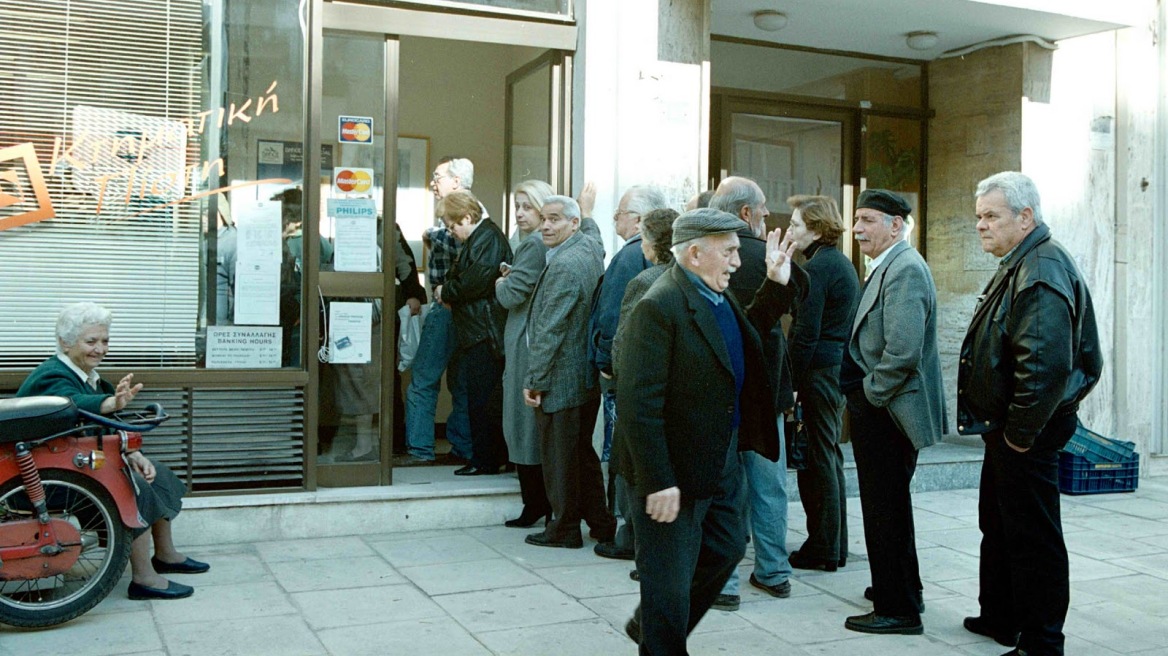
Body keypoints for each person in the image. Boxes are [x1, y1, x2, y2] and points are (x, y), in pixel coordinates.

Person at [619, 209, 797, 654]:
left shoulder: (716, 294)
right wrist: (658, 481)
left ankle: (655, 627)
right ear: (695, 253)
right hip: (671, 469)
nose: (738, 261)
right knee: (668, 582)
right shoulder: (658, 305)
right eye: (730, 251)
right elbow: (638, 405)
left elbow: (745, 334)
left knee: (726, 547)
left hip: (719, 458)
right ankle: (662, 637)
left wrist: (776, 284)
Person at [959, 172, 1102, 656]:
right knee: (998, 522)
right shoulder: (1021, 259)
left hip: (1026, 433)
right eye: (979, 216)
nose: (981, 225)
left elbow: (1043, 367)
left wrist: (1019, 436)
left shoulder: (1040, 268)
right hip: (1007, 429)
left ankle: (1040, 641)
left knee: (1032, 535)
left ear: (1026, 217)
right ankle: (1002, 614)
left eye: (991, 216)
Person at [16, 302, 209, 601]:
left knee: (158, 475)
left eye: (104, 341)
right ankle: (144, 578)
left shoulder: (88, 375)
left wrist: (133, 454)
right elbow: (73, 405)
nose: (100, 349)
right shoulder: (52, 375)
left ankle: (166, 555)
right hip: (43, 478)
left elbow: (109, 425)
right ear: (65, 343)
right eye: (91, 341)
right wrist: (111, 404)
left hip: (72, 466)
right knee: (132, 486)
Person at [841, 189, 945, 636]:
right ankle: (902, 588)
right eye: (856, 220)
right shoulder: (891, 265)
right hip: (881, 411)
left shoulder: (903, 269)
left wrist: (869, 395)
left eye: (867, 220)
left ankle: (897, 609)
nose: (858, 228)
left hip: (887, 413)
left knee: (885, 510)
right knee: (889, 508)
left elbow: (902, 353)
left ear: (896, 225)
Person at [708, 176, 803, 610]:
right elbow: (800, 301)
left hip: (723, 392)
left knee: (725, 487)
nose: (768, 215)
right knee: (769, 484)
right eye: (763, 208)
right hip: (767, 392)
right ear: (745, 213)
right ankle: (773, 570)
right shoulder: (770, 256)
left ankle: (724, 583)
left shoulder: (705, 257)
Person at [522, 195, 615, 548]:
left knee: (560, 459)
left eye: (555, 219)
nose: (545, 225)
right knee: (580, 455)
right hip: (583, 377)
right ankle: (601, 523)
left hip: (561, 377)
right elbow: (597, 238)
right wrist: (588, 213)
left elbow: (550, 329)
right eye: (543, 218)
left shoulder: (565, 264)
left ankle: (564, 528)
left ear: (572, 224)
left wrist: (535, 380)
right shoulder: (589, 247)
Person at [589, 185, 669, 560]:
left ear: (639, 221)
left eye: (620, 213)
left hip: (627, 381)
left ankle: (627, 535)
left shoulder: (630, 261)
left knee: (623, 457)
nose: (615, 219)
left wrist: (606, 365)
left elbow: (614, 322)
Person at [784, 195, 860, 573]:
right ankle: (831, 545)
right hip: (830, 370)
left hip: (819, 373)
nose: (791, 231)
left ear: (815, 228)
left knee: (819, 460)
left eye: (796, 225)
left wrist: (792, 382)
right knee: (826, 455)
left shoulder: (821, 267)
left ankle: (825, 547)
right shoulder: (834, 263)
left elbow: (805, 334)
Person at [605, 207, 678, 568]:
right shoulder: (685, 277)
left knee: (632, 469)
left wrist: (614, 372)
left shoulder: (647, 281)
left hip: (643, 392)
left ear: (652, 243)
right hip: (672, 394)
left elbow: (625, 342)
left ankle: (635, 544)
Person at [436, 190, 512, 476]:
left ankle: (487, 460)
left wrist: (447, 291)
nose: (451, 231)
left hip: (485, 332)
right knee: (479, 398)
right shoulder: (482, 238)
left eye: (453, 225)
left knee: (483, 400)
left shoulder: (488, 238)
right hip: (480, 330)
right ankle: (485, 457)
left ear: (467, 218)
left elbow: (476, 280)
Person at [404, 157, 475, 463]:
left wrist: (430, 235)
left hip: (447, 308)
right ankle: (462, 448)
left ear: (456, 182)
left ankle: (420, 450)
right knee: (460, 382)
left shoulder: (462, 212)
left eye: (438, 177)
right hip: (464, 312)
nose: (433, 183)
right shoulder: (468, 211)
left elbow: (450, 243)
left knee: (423, 380)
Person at [495, 179, 555, 525]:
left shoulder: (532, 245)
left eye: (527, 206)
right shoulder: (538, 242)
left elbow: (511, 295)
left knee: (522, 427)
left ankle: (535, 505)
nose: (519, 213)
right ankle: (539, 505)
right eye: (517, 206)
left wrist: (502, 282)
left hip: (525, 342)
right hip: (531, 339)